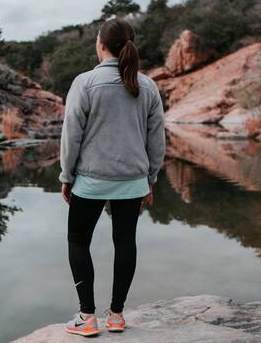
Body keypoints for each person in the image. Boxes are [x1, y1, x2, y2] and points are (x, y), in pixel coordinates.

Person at [59, 18, 166, 336]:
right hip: (133, 182)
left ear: (101, 44)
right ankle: (117, 316)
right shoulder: (147, 85)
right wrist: (150, 179)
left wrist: (66, 176)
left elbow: (71, 136)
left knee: (78, 242)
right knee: (125, 242)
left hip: (90, 180)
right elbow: (157, 138)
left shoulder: (85, 82)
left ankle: (87, 317)